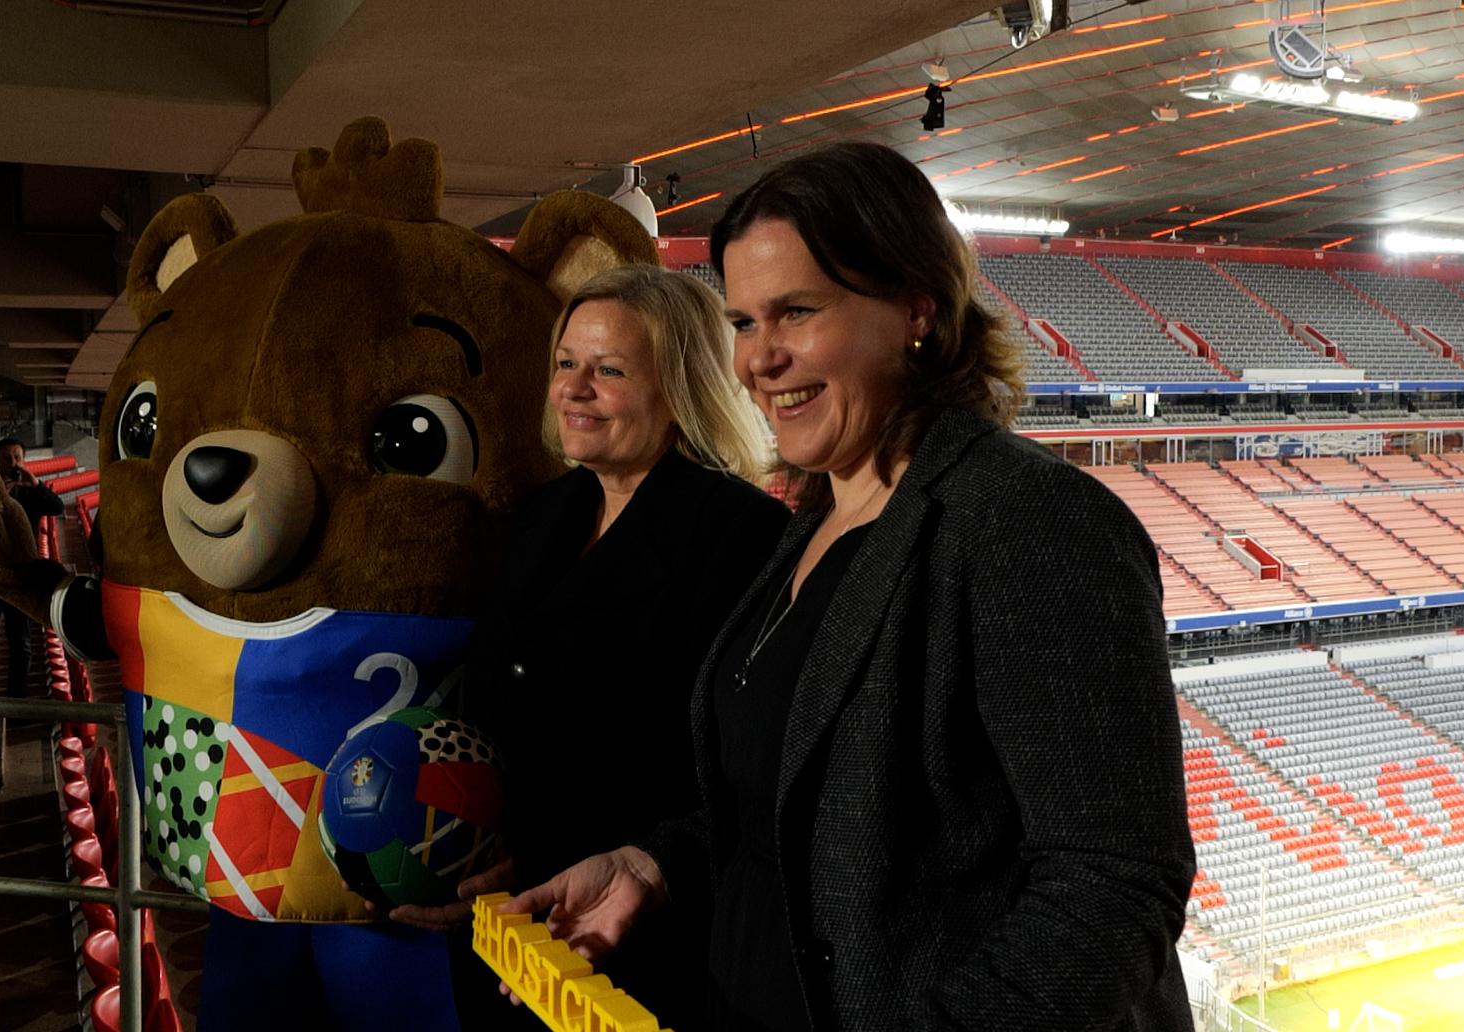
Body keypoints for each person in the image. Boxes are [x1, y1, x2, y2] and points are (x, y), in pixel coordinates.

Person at [506, 144, 1194, 1030]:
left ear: (916, 305)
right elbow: (784, 810)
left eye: (797, 312)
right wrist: (652, 865)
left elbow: (1113, 887)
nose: (761, 359)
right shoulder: (810, 516)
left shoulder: (1030, 522)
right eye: (744, 323)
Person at [418, 265, 788, 1030]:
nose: (574, 389)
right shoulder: (542, 514)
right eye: (566, 364)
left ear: (680, 389)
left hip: (637, 950)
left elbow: (740, 773)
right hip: (508, 936)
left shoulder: (742, 536)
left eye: (609, 370)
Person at [0, 437, 63, 697]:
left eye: (17, 457)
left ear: (24, 459)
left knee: (21, 641)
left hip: (21, 577)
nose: (12, 463)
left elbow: (57, 508)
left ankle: (17, 701)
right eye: (7, 458)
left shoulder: (31, 490)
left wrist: (36, 484)